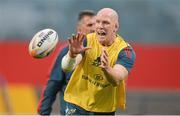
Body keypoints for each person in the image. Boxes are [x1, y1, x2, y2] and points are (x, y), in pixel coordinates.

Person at [61, 8, 136, 115]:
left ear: (115, 26)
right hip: (77, 102)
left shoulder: (125, 51)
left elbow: (117, 79)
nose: (100, 26)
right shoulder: (86, 40)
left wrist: (107, 68)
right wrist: (71, 55)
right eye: (98, 22)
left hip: (104, 109)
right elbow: (66, 67)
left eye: (105, 23)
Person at [37, 10, 96, 115]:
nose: (93, 28)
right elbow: (53, 85)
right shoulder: (65, 52)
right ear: (79, 29)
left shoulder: (105, 53)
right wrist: (43, 113)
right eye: (89, 24)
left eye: (96, 24)